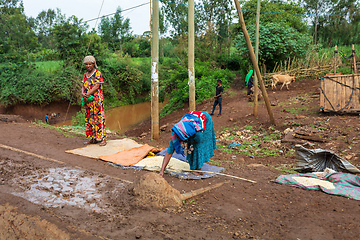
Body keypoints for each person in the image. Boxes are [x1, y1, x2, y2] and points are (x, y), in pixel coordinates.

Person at [159, 111, 216, 176]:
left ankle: (198, 168)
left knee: (197, 146)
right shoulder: (176, 133)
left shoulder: (198, 133)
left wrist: (197, 167)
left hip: (205, 119)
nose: (179, 141)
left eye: (181, 139)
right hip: (190, 124)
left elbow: (198, 144)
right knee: (190, 144)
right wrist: (162, 170)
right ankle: (191, 160)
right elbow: (169, 152)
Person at [82, 55, 107, 146]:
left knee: (98, 118)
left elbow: (97, 86)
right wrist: (83, 94)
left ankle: (103, 138)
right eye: (86, 64)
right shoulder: (85, 75)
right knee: (90, 118)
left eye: (90, 64)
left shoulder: (97, 73)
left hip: (96, 100)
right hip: (88, 100)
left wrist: (87, 94)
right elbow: (83, 85)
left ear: (94, 64)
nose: (88, 66)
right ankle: (93, 138)